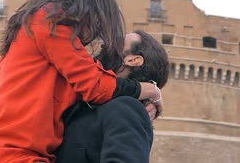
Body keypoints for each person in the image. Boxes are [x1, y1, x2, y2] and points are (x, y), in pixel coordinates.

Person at [0, 0, 163, 163]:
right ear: (88, 9)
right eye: (98, 21)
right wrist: (149, 90)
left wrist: (149, 102)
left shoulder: (43, 43)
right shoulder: (50, 21)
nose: (97, 35)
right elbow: (96, 86)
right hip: (11, 156)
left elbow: (93, 86)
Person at [55, 30, 170, 163]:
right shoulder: (86, 103)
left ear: (133, 60)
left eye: (120, 41)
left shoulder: (126, 110)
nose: (107, 43)